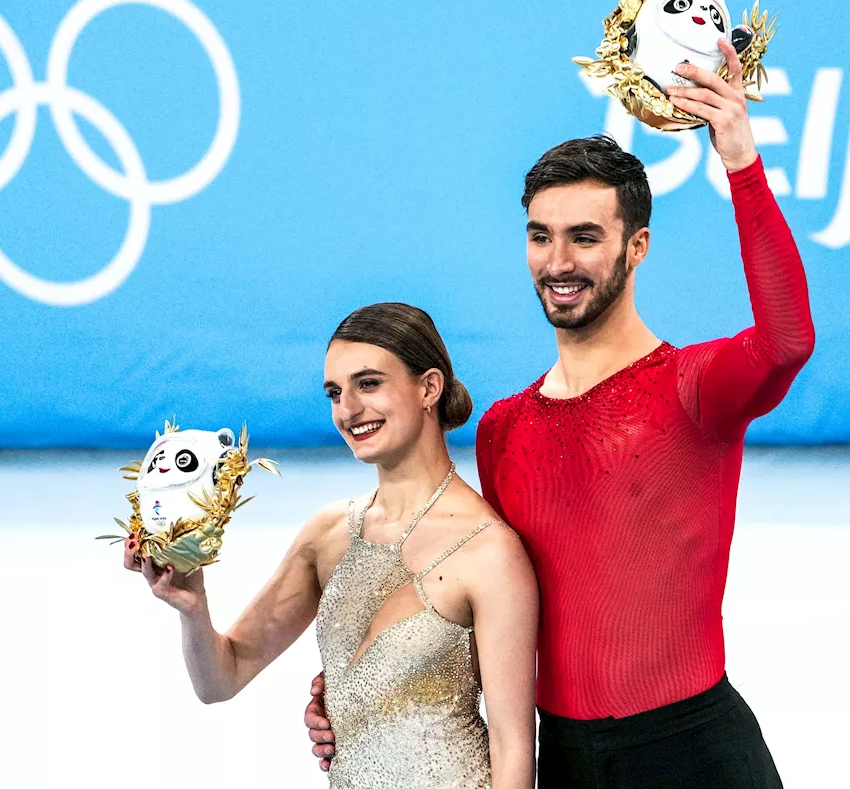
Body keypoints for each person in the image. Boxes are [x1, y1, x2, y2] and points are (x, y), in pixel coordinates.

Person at [305, 40, 814, 787]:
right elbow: (471, 605)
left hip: (695, 755)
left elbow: (789, 339)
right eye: (541, 236)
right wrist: (356, 699)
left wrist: (740, 160)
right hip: (565, 760)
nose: (558, 261)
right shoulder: (505, 429)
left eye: (585, 236)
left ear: (637, 247)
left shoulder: (691, 387)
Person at [124, 302, 538, 788]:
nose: (348, 410)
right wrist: (192, 605)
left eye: (368, 383)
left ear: (429, 387)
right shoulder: (329, 535)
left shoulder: (489, 551)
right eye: (334, 393)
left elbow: (513, 750)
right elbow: (221, 678)